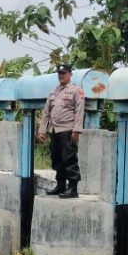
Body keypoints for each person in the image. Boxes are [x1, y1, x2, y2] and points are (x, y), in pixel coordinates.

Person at [37, 63, 85, 199]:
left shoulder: (76, 90)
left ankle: (73, 188)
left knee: (69, 159)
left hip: (68, 130)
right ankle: (60, 185)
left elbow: (80, 111)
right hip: (55, 130)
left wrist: (76, 131)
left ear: (70, 74)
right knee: (57, 159)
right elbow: (46, 112)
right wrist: (42, 130)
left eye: (64, 73)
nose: (61, 76)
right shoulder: (54, 92)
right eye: (59, 73)